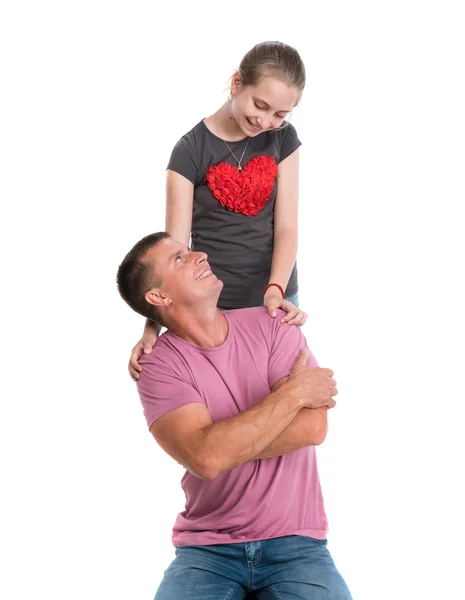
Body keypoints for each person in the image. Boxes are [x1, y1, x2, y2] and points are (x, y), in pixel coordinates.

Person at [117, 232, 352, 600]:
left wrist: (216, 444)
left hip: (297, 544)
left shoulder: (274, 324)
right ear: (159, 297)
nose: (200, 255)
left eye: (190, 250)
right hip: (207, 551)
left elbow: (311, 426)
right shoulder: (157, 365)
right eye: (179, 259)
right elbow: (205, 459)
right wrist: (292, 393)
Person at [129, 41, 309, 381]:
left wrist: (276, 289)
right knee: (234, 410)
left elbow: (287, 227)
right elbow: (174, 251)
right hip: (213, 308)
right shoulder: (189, 151)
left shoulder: (282, 139)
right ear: (237, 83)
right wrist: (152, 325)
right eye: (260, 105)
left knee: (287, 400)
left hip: (276, 295)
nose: (266, 120)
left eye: (280, 114)